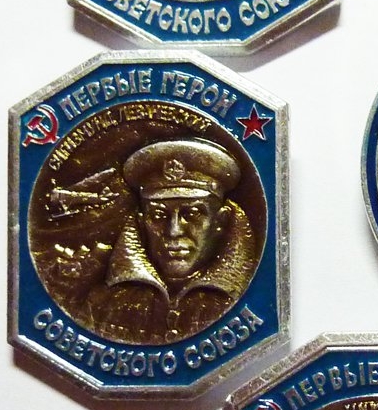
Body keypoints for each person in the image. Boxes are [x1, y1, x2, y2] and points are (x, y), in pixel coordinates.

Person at [88, 138, 257, 344]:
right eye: (158, 215)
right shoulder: (104, 305)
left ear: (220, 221)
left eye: (192, 214)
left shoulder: (248, 296)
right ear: (141, 223)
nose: (174, 231)